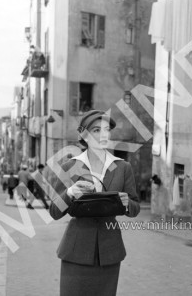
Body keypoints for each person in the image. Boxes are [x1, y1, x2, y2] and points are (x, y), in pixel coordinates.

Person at [49, 110, 140, 296]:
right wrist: (70, 192)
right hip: (76, 250)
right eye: (96, 130)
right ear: (84, 135)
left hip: (109, 250)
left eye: (106, 130)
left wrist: (126, 203)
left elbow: (135, 207)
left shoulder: (123, 167)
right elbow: (54, 211)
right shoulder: (69, 166)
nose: (103, 135)